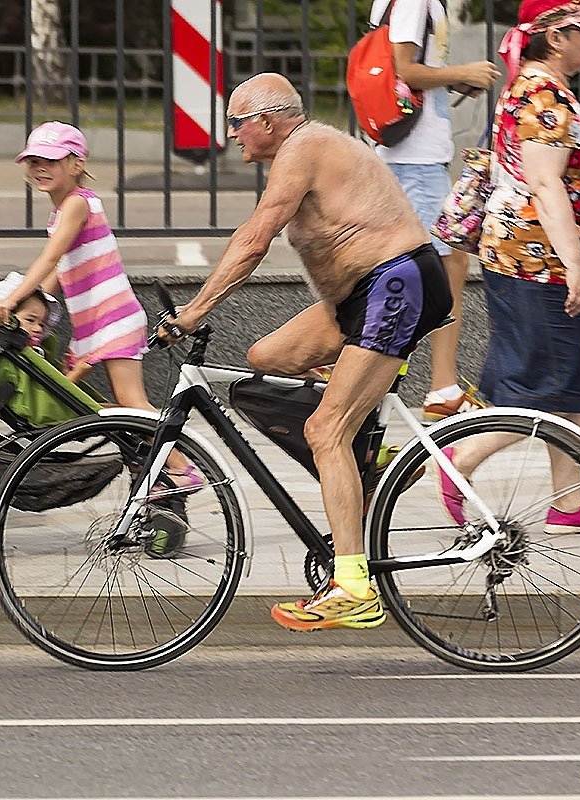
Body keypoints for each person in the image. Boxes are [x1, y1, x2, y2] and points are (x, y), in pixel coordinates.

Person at [160, 73, 453, 631]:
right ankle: (373, 456)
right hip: (362, 298)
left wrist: (196, 310)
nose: (232, 135)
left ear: (269, 121)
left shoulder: (306, 146)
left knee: (325, 430)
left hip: (394, 285)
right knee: (264, 359)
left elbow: (255, 236)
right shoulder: (299, 151)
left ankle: (353, 587)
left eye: (237, 123)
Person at [439, 0, 580, 533]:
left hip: (540, 259)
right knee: (543, 391)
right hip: (538, 263)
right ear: (556, 38)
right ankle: (459, 461)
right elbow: (545, 183)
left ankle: (568, 499)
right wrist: (574, 265)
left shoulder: (539, 90)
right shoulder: (542, 96)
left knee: (573, 384)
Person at [0, 121, 200, 494]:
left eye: (50, 161)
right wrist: (37, 318)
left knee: (132, 401)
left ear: (76, 163)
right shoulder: (61, 211)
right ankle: (149, 466)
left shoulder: (77, 204)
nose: (39, 168)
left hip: (112, 318)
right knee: (107, 405)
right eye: (33, 161)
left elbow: (49, 258)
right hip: (95, 322)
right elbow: (57, 272)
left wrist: (11, 298)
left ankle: (183, 470)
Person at [368, 0, 501, 423]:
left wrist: (451, 84)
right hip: (416, 158)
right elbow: (403, 68)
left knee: (406, 266)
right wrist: (462, 73)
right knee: (450, 263)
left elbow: (414, 73)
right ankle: (442, 387)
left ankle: (355, 363)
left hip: (413, 154)